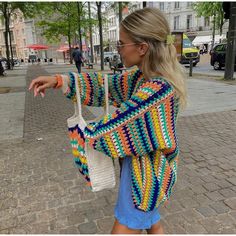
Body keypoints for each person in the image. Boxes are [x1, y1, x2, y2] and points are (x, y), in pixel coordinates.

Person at [29, 8, 187, 234]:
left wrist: (83, 133)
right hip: (142, 169)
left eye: (122, 44)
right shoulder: (141, 77)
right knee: (154, 224)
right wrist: (59, 80)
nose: (118, 50)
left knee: (127, 226)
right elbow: (107, 85)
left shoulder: (157, 91)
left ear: (142, 48)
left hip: (145, 179)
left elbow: (113, 129)